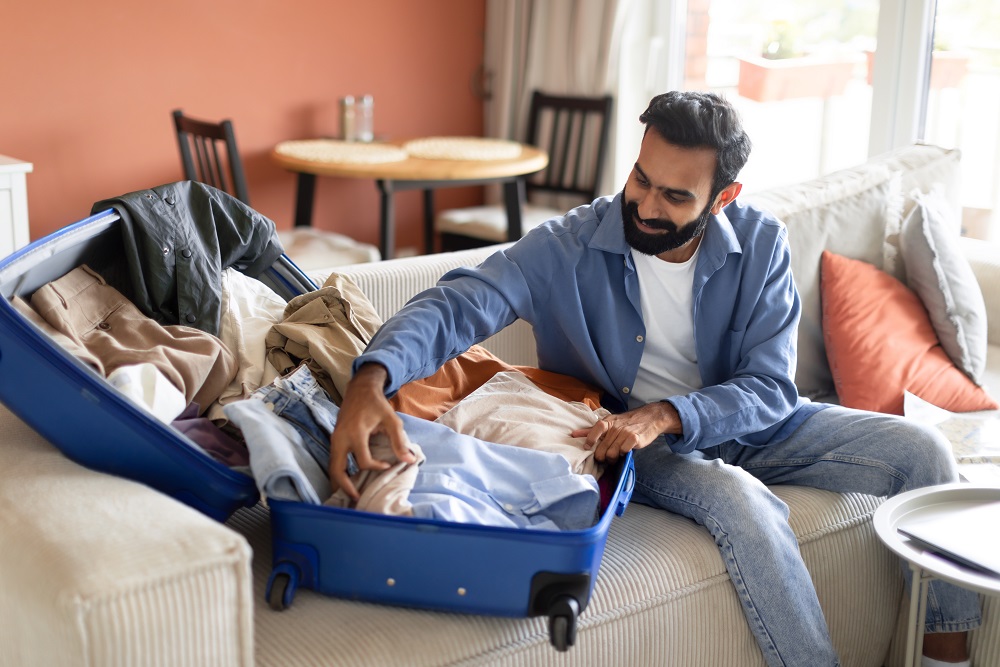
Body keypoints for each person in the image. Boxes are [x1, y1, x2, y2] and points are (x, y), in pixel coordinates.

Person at [330, 91, 981, 667]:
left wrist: (669, 411)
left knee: (925, 450)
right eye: (641, 178)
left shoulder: (761, 244)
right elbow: (458, 303)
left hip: (739, 423)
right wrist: (372, 376)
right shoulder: (567, 246)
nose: (644, 204)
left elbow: (772, 388)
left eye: (675, 195)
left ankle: (947, 659)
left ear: (725, 197)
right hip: (634, 443)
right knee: (743, 502)